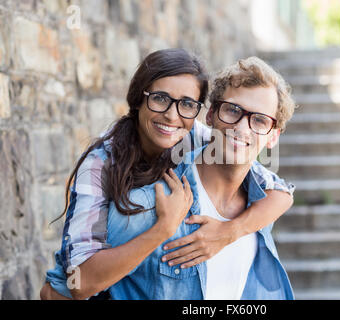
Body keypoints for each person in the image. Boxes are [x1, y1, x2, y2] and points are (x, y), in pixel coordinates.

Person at [40, 49, 294, 300]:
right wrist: (163, 228)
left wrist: (229, 231)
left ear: (197, 112)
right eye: (160, 98)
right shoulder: (107, 170)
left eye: (186, 104)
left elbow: (282, 192)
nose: (172, 116)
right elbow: (67, 286)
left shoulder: (202, 138)